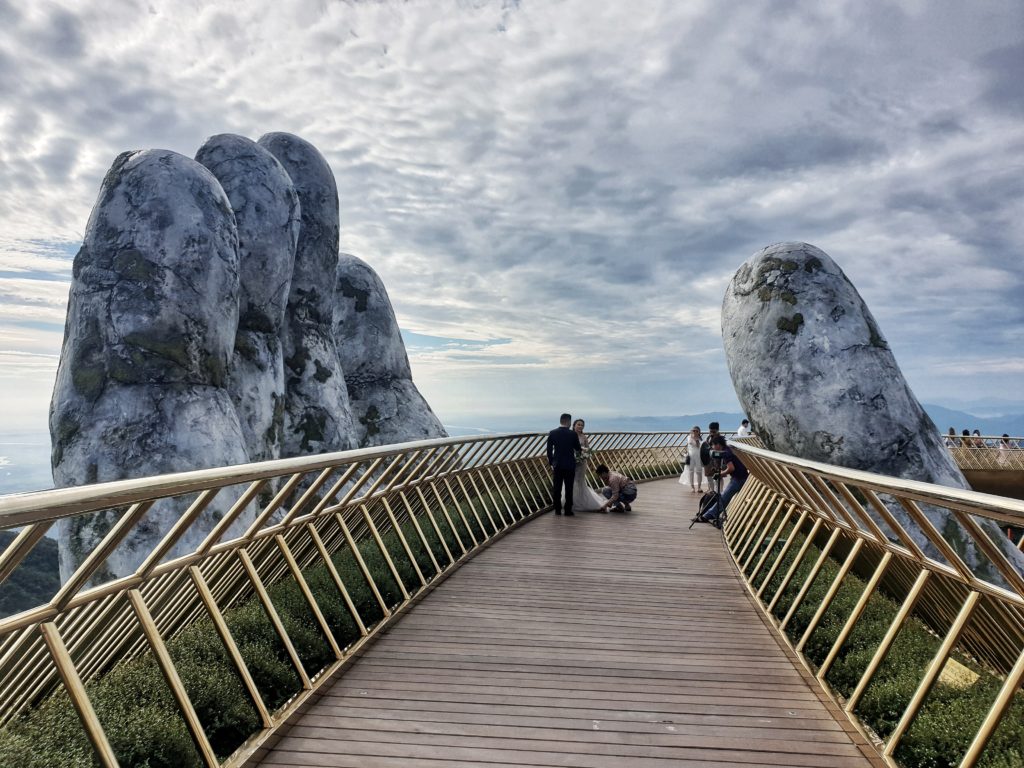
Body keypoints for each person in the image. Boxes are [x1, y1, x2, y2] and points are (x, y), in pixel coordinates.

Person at [700, 434, 748, 528]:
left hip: (739, 478)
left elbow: (731, 468)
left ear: (718, 444)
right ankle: (709, 515)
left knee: (724, 497)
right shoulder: (728, 449)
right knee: (724, 496)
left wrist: (720, 474)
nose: (713, 448)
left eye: (713, 445)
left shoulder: (726, 453)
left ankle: (708, 515)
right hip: (740, 476)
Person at [547, 413, 582, 516]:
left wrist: (552, 462)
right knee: (569, 488)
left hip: (557, 464)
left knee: (557, 487)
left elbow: (549, 451)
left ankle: (557, 509)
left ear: (561, 421)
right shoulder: (572, 434)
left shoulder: (552, 433)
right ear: (569, 422)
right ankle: (567, 510)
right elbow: (578, 449)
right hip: (570, 464)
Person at [571, 419, 607, 512]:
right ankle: (571, 501)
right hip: (571, 462)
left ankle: (580, 501)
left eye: (582, 425)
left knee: (579, 481)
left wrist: (584, 455)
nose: (580, 426)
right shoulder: (570, 436)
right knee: (571, 481)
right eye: (578, 424)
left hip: (581, 463)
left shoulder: (584, 437)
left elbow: (588, 449)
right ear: (574, 425)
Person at [677, 426, 704, 493]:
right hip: (691, 457)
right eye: (693, 430)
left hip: (698, 457)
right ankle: (692, 487)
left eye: (696, 431)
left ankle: (699, 487)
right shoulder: (689, 437)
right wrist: (693, 437)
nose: (695, 432)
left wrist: (697, 439)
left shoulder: (700, 439)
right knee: (691, 472)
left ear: (699, 432)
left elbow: (699, 446)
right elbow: (690, 442)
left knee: (699, 472)